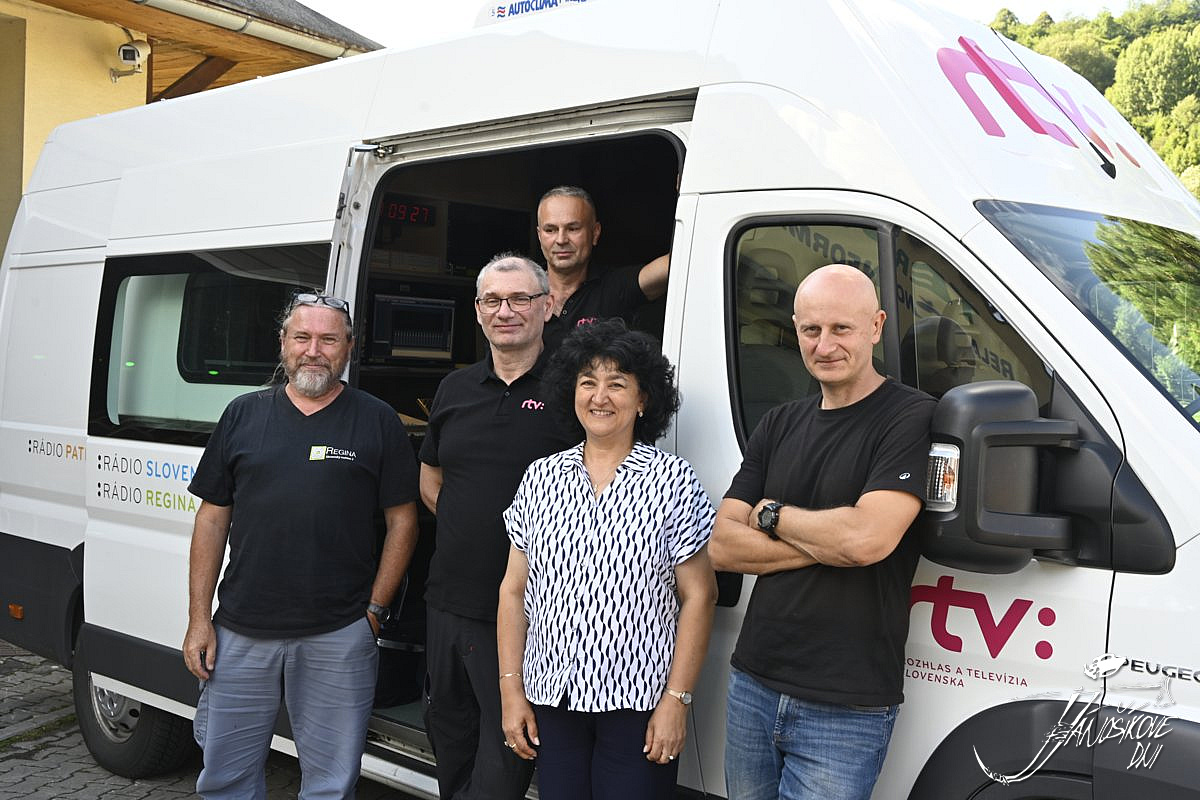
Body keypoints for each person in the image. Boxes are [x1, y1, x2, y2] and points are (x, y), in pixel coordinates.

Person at [709, 264, 936, 800]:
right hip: (753, 681)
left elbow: (866, 541)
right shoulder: (778, 422)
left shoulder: (912, 417)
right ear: (796, 329)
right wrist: (833, 541)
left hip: (846, 702)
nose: (824, 345)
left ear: (876, 327)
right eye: (811, 329)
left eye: (841, 328)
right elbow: (721, 545)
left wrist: (772, 516)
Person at [183, 292, 421, 799]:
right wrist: (199, 619)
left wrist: (374, 612)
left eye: (328, 339)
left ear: (349, 347)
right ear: (283, 344)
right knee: (225, 779)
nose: (314, 351)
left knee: (331, 785)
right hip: (240, 631)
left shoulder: (378, 420)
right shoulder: (243, 414)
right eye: (303, 337)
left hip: (339, 632)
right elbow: (212, 518)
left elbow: (403, 522)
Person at [498, 319, 718, 800]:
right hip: (552, 696)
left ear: (643, 399)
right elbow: (513, 590)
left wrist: (677, 701)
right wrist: (511, 690)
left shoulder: (673, 480)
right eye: (587, 382)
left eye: (617, 383)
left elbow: (700, 596)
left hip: (639, 704)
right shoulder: (541, 477)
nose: (600, 397)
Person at [418, 253, 577, 799]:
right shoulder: (454, 389)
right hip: (447, 602)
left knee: (505, 761)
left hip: (531, 614)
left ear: (547, 306)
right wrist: (471, 525)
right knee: (449, 742)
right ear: (478, 310)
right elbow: (431, 478)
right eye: (493, 300)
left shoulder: (575, 392)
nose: (505, 311)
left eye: (520, 299)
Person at [536, 186, 670, 351]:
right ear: (539, 236)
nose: (561, 239)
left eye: (573, 229)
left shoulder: (615, 285)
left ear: (595, 233)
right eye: (550, 230)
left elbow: (677, 261)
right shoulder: (522, 290)